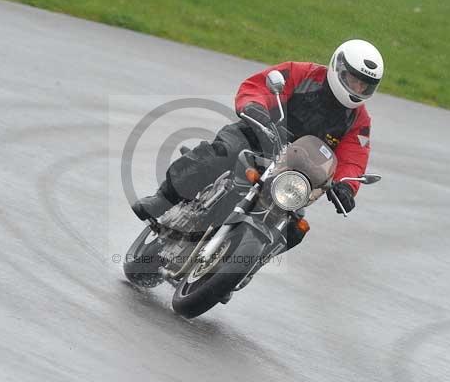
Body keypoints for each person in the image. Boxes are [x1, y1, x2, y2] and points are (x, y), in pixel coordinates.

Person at [132, 39, 383, 240]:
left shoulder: (358, 121)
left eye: (365, 86)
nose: (357, 89)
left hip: (295, 173)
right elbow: (260, 86)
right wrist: (255, 107)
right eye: (353, 80)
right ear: (338, 68)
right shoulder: (303, 74)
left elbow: (354, 158)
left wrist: (347, 187)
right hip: (257, 136)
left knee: (295, 229)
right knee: (221, 153)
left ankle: (237, 268)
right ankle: (164, 199)